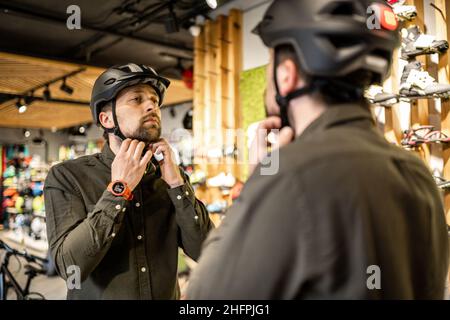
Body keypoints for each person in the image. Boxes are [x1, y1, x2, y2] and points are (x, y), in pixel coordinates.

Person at [187, 0, 449, 299]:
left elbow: (206, 299)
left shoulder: (289, 176)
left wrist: (257, 182)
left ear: (286, 76)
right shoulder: (417, 173)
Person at [44, 63, 213, 299]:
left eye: (154, 100)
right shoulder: (68, 176)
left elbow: (206, 253)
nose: (151, 106)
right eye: (136, 99)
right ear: (106, 119)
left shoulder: (170, 177)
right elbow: (70, 268)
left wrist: (177, 184)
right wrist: (119, 189)